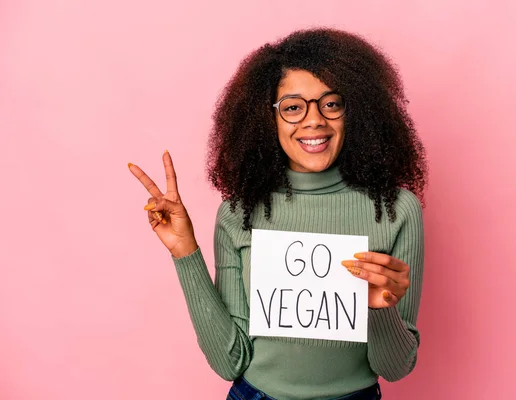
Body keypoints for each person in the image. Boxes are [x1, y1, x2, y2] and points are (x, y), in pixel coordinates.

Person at [128, 28, 427, 400]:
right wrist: (185, 252)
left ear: (358, 112)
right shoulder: (239, 212)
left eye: (331, 103)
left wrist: (380, 310)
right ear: (266, 119)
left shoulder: (397, 210)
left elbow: (395, 368)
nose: (314, 120)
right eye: (292, 107)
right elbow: (230, 362)